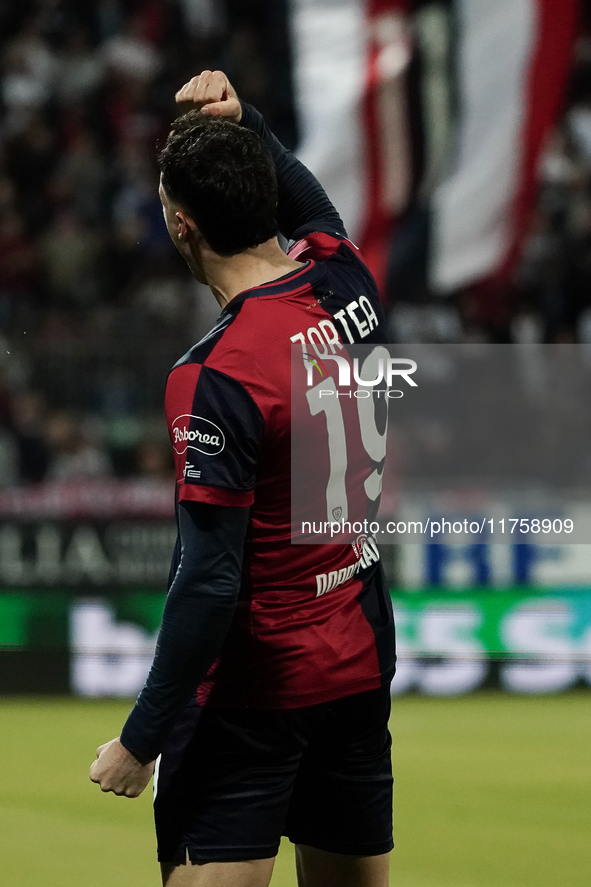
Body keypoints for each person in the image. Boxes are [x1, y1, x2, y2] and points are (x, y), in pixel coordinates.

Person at [90, 70, 396, 887]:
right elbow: (316, 213)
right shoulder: (348, 286)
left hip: (255, 692)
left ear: (181, 225)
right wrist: (247, 120)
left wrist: (141, 738)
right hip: (358, 661)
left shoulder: (216, 373)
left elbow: (209, 580)